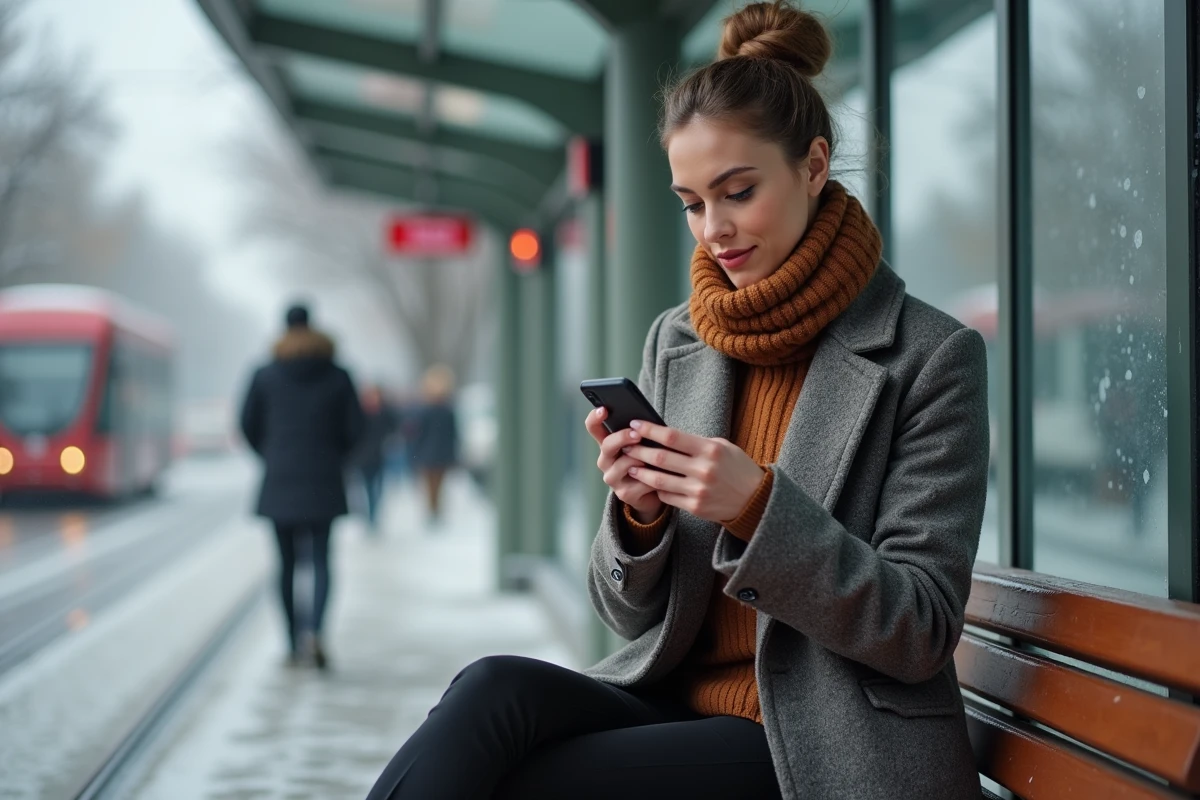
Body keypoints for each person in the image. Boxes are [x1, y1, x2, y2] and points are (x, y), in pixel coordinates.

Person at [363, 2, 988, 798]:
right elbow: (626, 617)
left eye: (738, 192)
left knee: (531, 783)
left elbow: (920, 629)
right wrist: (639, 519)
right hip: (678, 703)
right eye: (692, 203)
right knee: (490, 690)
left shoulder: (929, 357)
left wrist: (758, 509)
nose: (714, 229)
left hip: (828, 746)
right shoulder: (680, 340)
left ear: (814, 166)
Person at [240, 303, 364, 669]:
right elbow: (356, 428)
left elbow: (247, 424)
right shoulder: (338, 375)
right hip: (324, 479)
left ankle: (293, 643)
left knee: (286, 565)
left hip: (280, 480)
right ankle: (317, 633)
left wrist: (271, 454)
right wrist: (334, 456)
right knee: (322, 560)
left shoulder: (265, 375)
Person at [407, 364, 459, 525]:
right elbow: (453, 436)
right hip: (439, 454)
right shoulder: (446, 411)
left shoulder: (426, 411)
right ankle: (434, 511)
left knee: (432, 485)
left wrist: (415, 454)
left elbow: (417, 436)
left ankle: (433, 511)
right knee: (437, 486)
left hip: (428, 454)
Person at [351, 383, 398, 532]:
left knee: (377, 487)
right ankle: (369, 515)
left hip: (379, 455)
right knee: (366, 487)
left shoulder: (384, 412)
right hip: (363, 456)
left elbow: (393, 429)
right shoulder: (359, 412)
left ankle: (373, 513)